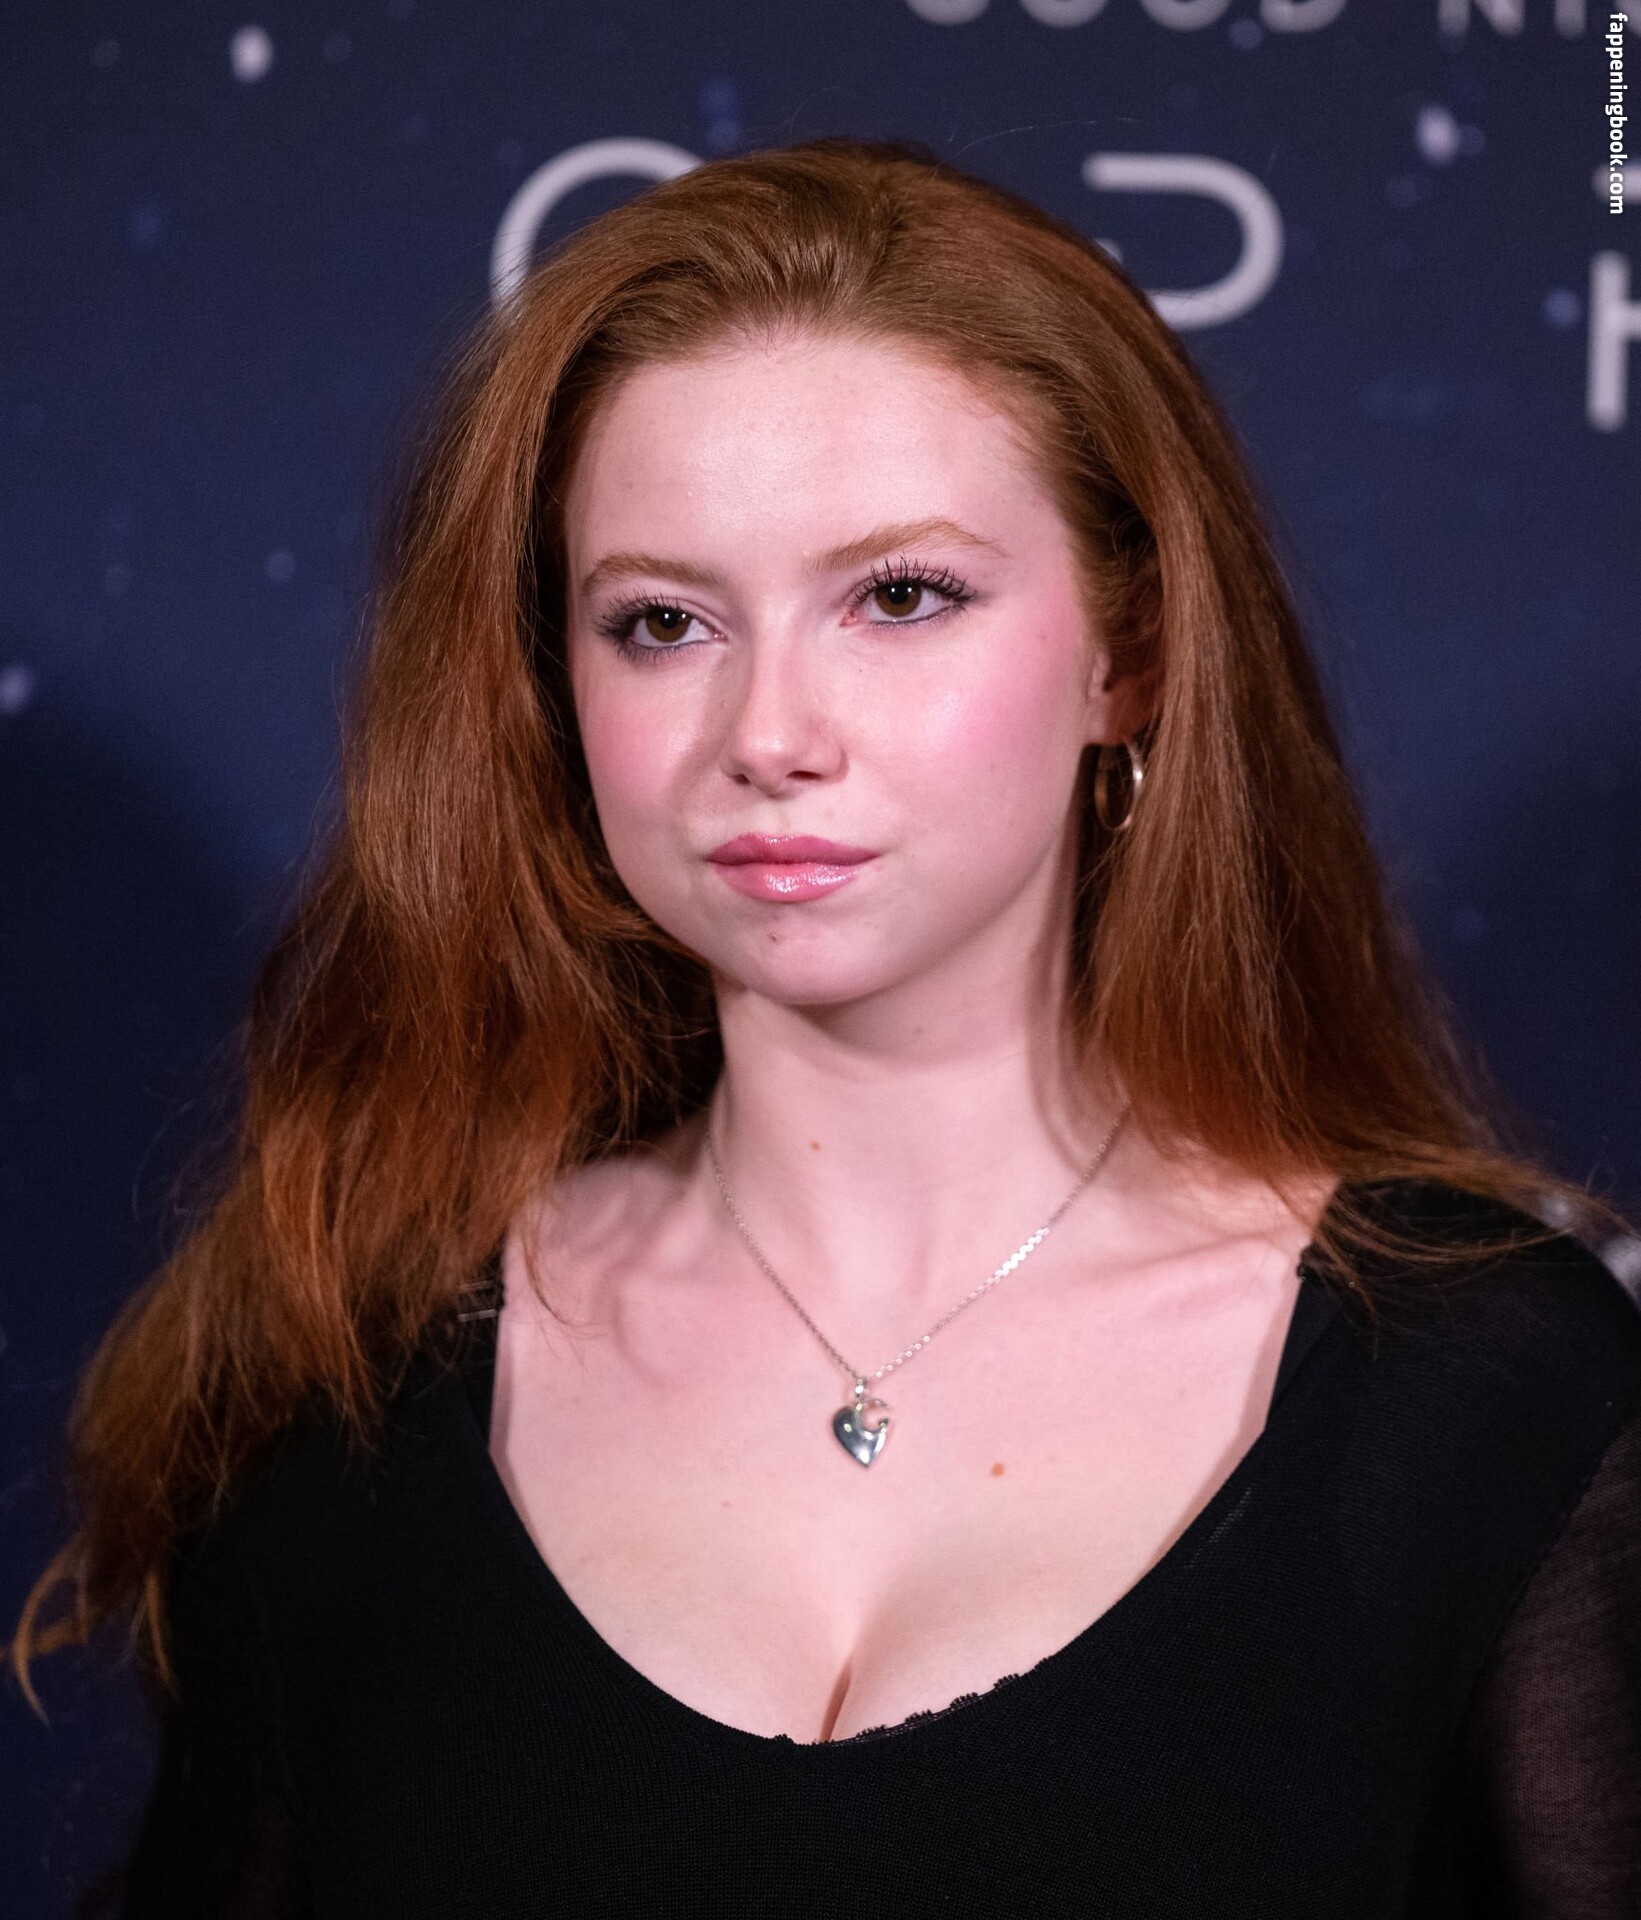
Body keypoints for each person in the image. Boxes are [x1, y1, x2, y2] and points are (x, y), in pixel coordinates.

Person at [11, 136, 1641, 1917]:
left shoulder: (1478, 1387)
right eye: (661, 623)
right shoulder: (357, 1372)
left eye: (899, 598)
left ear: (1129, 656)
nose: (767, 734)